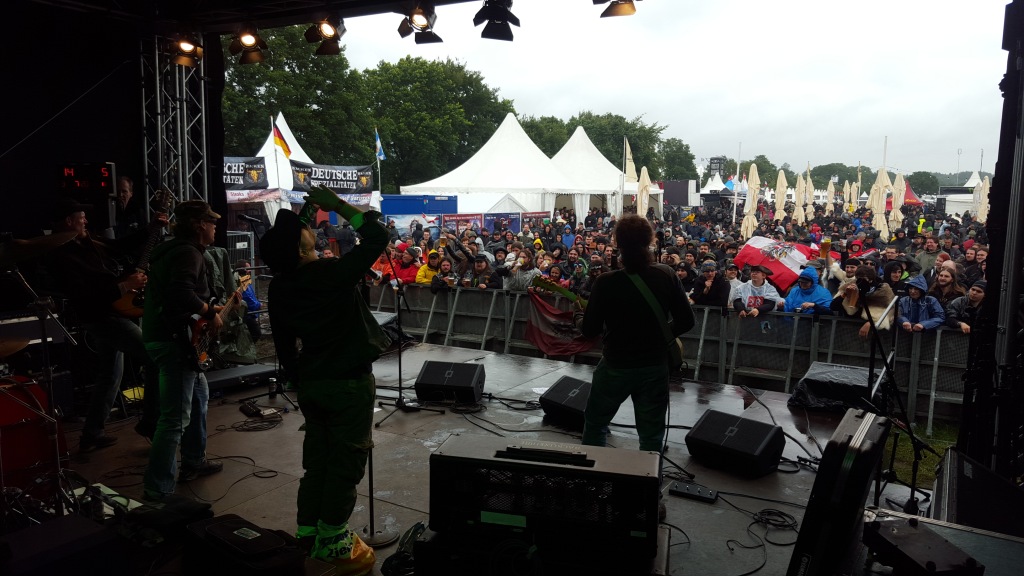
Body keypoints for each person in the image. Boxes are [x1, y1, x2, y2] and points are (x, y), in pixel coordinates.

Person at [259, 188, 387, 574]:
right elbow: (377, 237)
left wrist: (298, 381)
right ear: (301, 249)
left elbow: (284, 345)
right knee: (345, 462)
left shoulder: (280, 286)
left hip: (312, 384)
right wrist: (338, 206)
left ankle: (309, 533)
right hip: (348, 384)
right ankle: (333, 538)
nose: (309, 230)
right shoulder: (331, 275)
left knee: (318, 463)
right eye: (304, 231)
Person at [46, 196, 166, 449]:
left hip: (113, 313)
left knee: (110, 374)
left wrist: (150, 228)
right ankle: (150, 421)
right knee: (155, 357)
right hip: (102, 317)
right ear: (69, 222)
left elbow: (120, 247)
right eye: (81, 218)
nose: (86, 222)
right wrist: (125, 286)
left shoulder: (88, 242)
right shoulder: (62, 256)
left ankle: (92, 433)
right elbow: (85, 296)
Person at [577, 214, 695, 452]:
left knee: (596, 424)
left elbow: (589, 330)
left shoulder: (605, 282)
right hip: (654, 365)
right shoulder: (666, 275)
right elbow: (687, 320)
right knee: (651, 436)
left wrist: (577, 316)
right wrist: (661, 335)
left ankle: (592, 472)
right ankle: (648, 473)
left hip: (616, 364)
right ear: (650, 240)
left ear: (617, 243)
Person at [142, 200, 224, 501]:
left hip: (171, 337)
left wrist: (210, 309)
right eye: (211, 222)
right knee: (174, 419)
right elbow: (181, 293)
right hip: (174, 341)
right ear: (199, 225)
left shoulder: (172, 250)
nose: (215, 227)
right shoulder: (188, 253)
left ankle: (194, 460)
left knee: (199, 397)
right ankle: (158, 489)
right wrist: (210, 312)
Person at [234, 260, 262, 343]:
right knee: (256, 333)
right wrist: (258, 305)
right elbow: (247, 298)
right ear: (244, 270)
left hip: (248, 312)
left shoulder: (245, 280)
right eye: (248, 268)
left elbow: (251, 295)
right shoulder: (242, 281)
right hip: (247, 313)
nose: (250, 270)